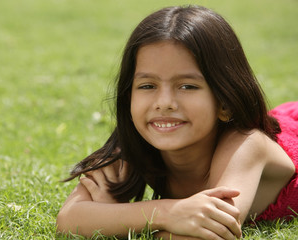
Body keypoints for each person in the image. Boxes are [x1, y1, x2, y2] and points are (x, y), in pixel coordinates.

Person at [56, 5, 298, 240]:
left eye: (187, 86)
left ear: (225, 103)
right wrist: (167, 213)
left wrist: (116, 218)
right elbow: (69, 220)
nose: (164, 103)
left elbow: (213, 231)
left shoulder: (246, 145)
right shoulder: (131, 146)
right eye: (147, 86)